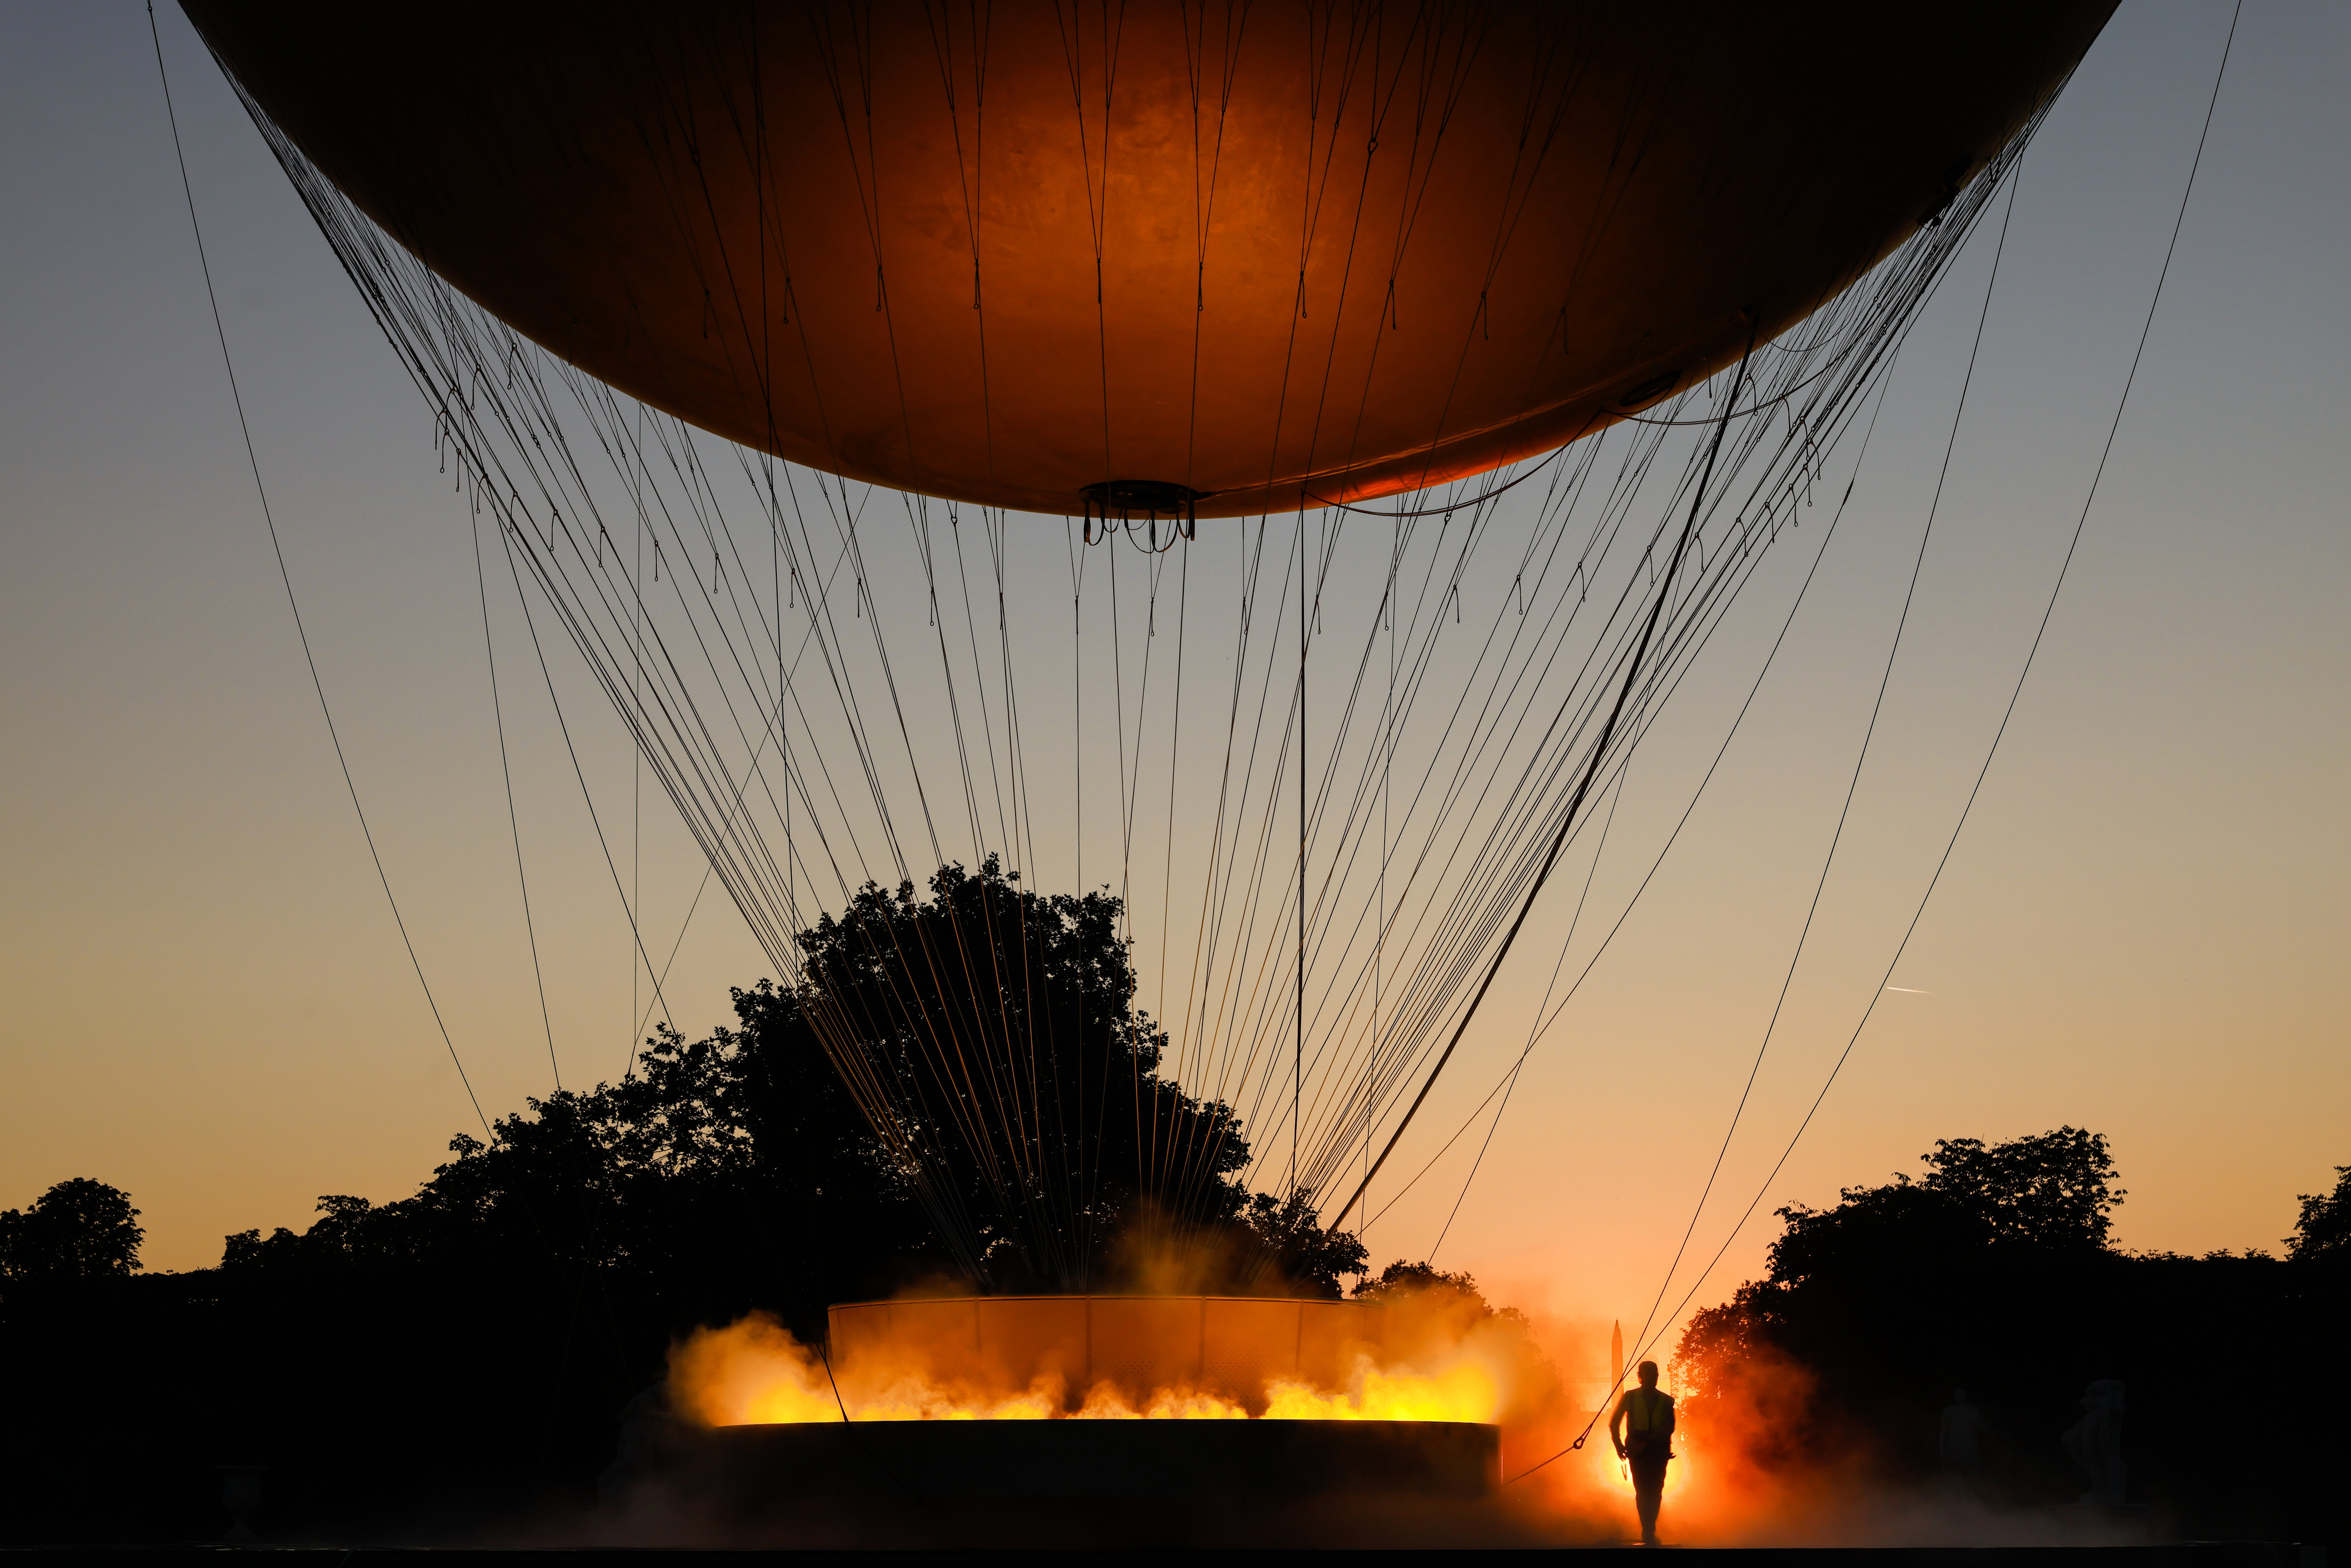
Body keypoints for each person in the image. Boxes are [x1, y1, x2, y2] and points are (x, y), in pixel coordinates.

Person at [1610, 1359, 1676, 1545]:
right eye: (1646, 1373)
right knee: (1643, 1491)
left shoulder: (1666, 1400)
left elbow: (1669, 1427)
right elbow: (1615, 1423)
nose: (1650, 1377)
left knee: (1656, 1491)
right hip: (1640, 1452)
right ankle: (1648, 1530)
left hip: (1655, 1452)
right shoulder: (1630, 1397)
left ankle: (1649, 1529)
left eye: (1653, 1373)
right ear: (1640, 1377)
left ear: (1657, 1375)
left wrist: (1646, 1443)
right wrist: (1618, 1446)